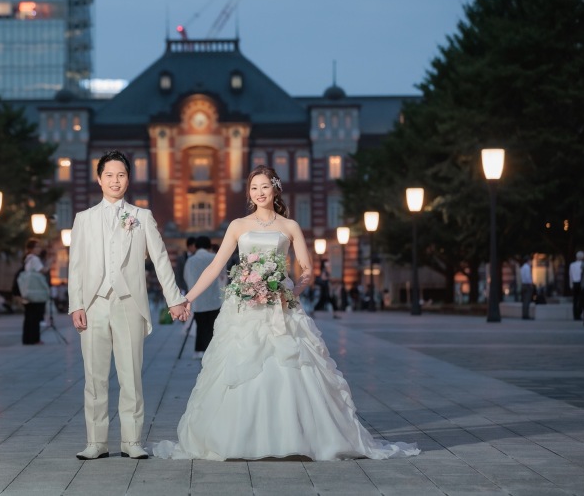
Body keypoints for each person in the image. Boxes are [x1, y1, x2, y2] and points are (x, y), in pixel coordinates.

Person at [153, 165, 419, 461]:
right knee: (243, 367)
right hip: (245, 310)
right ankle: (241, 437)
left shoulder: (290, 227)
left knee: (291, 366)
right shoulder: (238, 225)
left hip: (281, 307)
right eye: (254, 187)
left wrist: (288, 293)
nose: (259, 192)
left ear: (275, 189)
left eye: (265, 186)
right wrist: (185, 298)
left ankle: (299, 436)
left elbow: (307, 271)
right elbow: (215, 267)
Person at [68, 150, 189, 461]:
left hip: (128, 304)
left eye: (121, 175)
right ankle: (96, 442)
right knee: (94, 377)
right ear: (99, 179)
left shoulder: (142, 217)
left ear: (128, 179)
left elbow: (161, 261)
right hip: (93, 304)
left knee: (130, 375)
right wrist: (75, 305)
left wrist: (174, 299)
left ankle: (132, 441)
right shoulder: (83, 219)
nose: (115, 180)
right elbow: (76, 266)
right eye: (109, 175)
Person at [183, 235, 222, 359]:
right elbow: (222, 277)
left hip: (198, 299)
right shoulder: (214, 258)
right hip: (214, 298)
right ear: (209, 246)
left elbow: (186, 277)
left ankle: (199, 350)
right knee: (212, 326)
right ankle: (212, 350)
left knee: (200, 325)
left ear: (196, 246)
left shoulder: (191, 260)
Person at [22, 238, 50, 345]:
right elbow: (42, 271)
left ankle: (27, 339)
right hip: (35, 290)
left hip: (28, 289)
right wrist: (48, 265)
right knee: (35, 315)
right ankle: (34, 338)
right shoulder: (34, 259)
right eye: (37, 247)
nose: (39, 249)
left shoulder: (27, 259)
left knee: (29, 315)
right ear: (32, 248)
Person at [569, 251, 584, 321]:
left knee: (575, 300)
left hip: (575, 283)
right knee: (581, 299)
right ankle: (579, 313)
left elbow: (570, 275)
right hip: (581, 283)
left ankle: (575, 315)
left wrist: (571, 284)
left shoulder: (572, 265)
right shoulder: (583, 265)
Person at [520, 255, 534, 320]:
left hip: (523, 285)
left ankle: (524, 314)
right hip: (527, 285)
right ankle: (526, 315)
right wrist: (531, 283)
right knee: (527, 300)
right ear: (528, 261)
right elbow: (528, 277)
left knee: (524, 301)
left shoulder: (522, 268)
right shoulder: (527, 267)